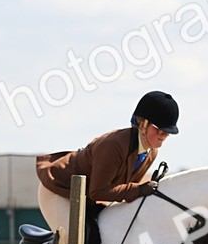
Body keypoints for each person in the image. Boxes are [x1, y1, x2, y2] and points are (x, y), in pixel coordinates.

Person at [35, 91, 178, 236]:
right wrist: (140, 190)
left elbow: (125, 190)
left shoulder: (151, 152)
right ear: (142, 124)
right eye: (159, 129)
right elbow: (98, 191)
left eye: (167, 131)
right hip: (59, 190)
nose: (164, 135)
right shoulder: (113, 145)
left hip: (87, 198)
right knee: (78, 239)